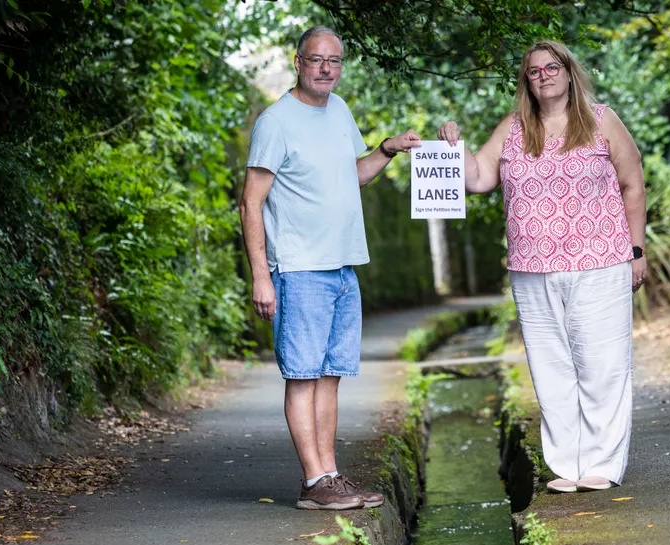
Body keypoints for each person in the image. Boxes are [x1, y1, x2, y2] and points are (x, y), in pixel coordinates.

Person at [437, 40, 647, 493]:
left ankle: (602, 464)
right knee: (551, 367)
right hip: (532, 269)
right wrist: (454, 146)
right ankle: (566, 467)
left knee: (601, 364)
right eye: (534, 71)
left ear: (570, 73)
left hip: (601, 261)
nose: (544, 75)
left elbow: (632, 184)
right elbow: (478, 179)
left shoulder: (601, 119)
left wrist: (637, 250)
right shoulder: (513, 128)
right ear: (526, 82)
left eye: (553, 67)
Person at [240, 26, 422, 510]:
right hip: (299, 269)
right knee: (302, 375)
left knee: (330, 375)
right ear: (298, 62)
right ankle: (312, 481)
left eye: (334, 61)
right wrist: (262, 274)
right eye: (317, 59)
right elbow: (250, 202)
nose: (326, 68)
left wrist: (384, 150)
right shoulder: (276, 122)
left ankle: (330, 476)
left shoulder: (339, 111)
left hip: (342, 267)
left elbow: (353, 176)